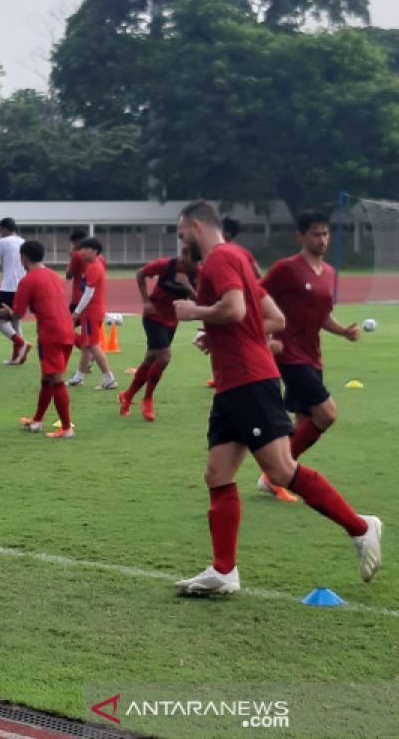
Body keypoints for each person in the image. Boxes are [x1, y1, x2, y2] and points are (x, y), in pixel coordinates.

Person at [172, 200, 381, 595]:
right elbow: (275, 319)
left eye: (182, 232)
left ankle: (361, 527)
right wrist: (215, 335)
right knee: (218, 474)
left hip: (249, 380)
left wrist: (192, 312)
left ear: (196, 225)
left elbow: (233, 310)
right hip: (232, 383)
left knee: (282, 470)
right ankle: (223, 571)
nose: (182, 240)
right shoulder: (241, 257)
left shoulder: (218, 260)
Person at [258, 210, 360, 498]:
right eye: (316, 234)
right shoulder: (286, 269)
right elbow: (255, 295)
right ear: (301, 236)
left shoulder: (330, 274)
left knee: (306, 421)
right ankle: (275, 473)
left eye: (326, 233)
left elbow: (322, 314)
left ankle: (276, 475)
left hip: (312, 355)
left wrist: (343, 332)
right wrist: (265, 335)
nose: (322, 239)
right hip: (288, 353)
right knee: (327, 414)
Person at [0, 241, 76, 439]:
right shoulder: (55, 276)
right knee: (48, 378)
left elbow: (18, 314)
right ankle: (37, 420)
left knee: (56, 380)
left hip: (51, 333)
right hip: (67, 330)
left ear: (23, 258)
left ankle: (67, 428)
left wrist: (7, 313)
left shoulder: (28, 280)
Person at [118, 245, 198, 421]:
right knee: (164, 358)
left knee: (150, 359)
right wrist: (146, 300)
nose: (195, 264)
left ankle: (128, 395)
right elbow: (140, 273)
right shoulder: (166, 265)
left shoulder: (197, 272)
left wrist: (186, 285)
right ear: (184, 253)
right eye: (193, 259)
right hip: (153, 317)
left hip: (172, 320)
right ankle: (147, 399)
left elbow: (199, 300)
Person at [67, 238, 118, 390]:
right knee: (86, 346)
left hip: (91, 313)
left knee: (93, 346)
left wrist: (76, 312)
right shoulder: (92, 266)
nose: (81, 252)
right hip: (91, 312)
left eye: (85, 249)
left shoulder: (94, 268)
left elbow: (88, 294)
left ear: (94, 251)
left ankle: (109, 378)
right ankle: (78, 377)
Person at [0, 217, 29, 365]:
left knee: (0, 322)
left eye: (0, 229)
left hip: (8, 287)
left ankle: (22, 343)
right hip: (22, 287)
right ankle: (17, 357)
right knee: (16, 322)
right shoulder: (23, 241)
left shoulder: (3, 241)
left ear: (4, 229)